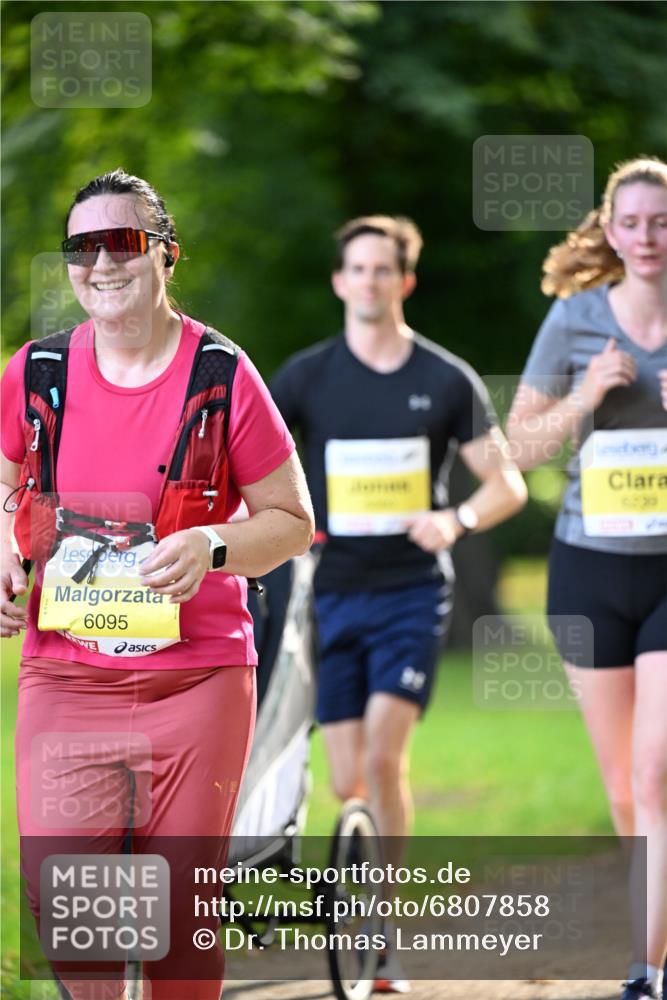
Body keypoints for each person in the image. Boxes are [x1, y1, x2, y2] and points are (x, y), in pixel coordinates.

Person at [0, 168, 314, 1000]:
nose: (101, 262)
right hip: (66, 679)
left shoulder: (222, 374)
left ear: (166, 255)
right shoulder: (35, 375)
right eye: (82, 246)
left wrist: (213, 542)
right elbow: (1, 487)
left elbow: (290, 520)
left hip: (199, 681)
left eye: (124, 242)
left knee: (180, 917)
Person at [271, 214, 527, 992]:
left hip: (411, 595)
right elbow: (255, 469)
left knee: (384, 755)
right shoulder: (306, 378)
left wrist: (455, 518)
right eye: (359, 268)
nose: (371, 281)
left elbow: (506, 484)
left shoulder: (445, 379)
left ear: (404, 282)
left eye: (386, 270)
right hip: (333, 595)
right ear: (339, 280)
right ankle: (353, 910)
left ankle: (382, 935)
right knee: (348, 779)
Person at [506, 157, 667, 1000]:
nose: (646, 237)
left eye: (661, 221)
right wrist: (589, 394)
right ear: (609, 230)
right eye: (632, 222)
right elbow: (518, 447)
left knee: (656, 772)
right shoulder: (574, 319)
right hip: (588, 569)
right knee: (620, 787)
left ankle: (650, 970)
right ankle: (651, 943)